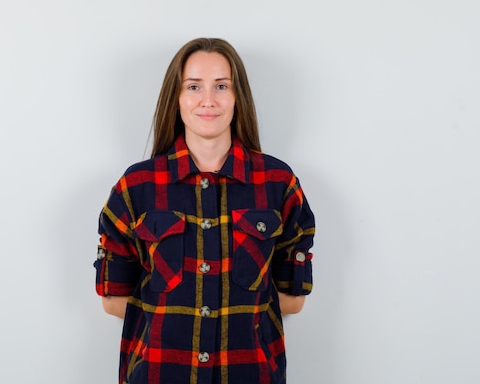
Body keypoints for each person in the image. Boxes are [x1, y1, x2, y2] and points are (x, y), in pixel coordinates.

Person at [94, 37, 315, 384]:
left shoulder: (278, 183)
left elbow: (293, 298)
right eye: (194, 86)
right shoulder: (136, 186)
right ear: (177, 98)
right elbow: (112, 300)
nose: (208, 100)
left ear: (237, 96)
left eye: (221, 86)